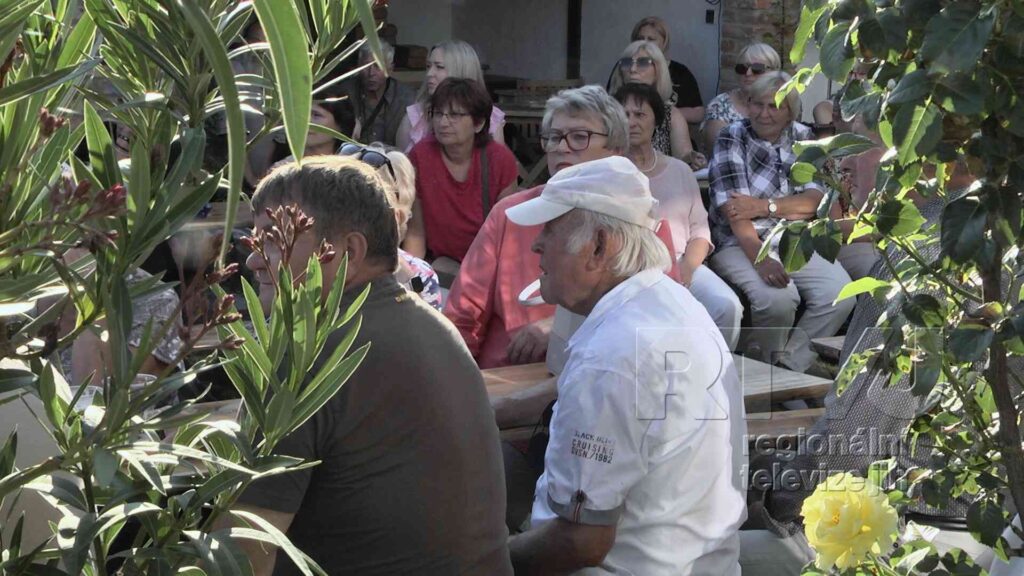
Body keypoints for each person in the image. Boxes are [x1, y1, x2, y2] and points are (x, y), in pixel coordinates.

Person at [232, 156, 512, 575]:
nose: (254, 261)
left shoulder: (308, 351)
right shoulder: (433, 325)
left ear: (348, 252)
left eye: (273, 240)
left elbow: (239, 555)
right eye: (254, 241)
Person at [504, 156, 746, 575]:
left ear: (599, 247)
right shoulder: (667, 302)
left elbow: (580, 542)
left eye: (550, 229)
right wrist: (489, 410)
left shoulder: (611, 355)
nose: (536, 244)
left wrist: (486, 562)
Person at [443, 85, 628, 371]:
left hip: (600, 376)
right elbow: (463, 316)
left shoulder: (638, 220)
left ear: (615, 151)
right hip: (507, 376)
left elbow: (650, 317)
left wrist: (560, 325)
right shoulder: (510, 214)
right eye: (554, 137)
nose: (562, 147)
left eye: (579, 137)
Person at [708, 71, 854, 374]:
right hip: (739, 242)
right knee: (777, 301)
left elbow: (815, 202)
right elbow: (735, 212)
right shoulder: (731, 137)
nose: (764, 113)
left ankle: (788, 368)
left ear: (791, 111)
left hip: (794, 237)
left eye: (774, 106)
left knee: (839, 293)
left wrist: (763, 206)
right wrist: (761, 258)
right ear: (748, 105)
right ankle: (758, 374)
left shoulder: (805, 139)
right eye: (757, 104)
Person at [614, 82, 742, 350]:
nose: (632, 122)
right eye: (624, 114)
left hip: (683, 262)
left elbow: (700, 232)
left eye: (640, 114)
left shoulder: (679, 171)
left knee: (727, 306)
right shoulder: (610, 171)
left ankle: (716, 370)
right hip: (630, 270)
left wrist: (685, 271)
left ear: (656, 121)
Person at [406, 78, 518, 263]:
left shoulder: (500, 160)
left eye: (455, 115)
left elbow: (508, 235)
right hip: (441, 262)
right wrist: (414, 274)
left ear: (479, 123)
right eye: (438, 113)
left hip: (487, 262)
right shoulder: (420, 156)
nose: (443, 122)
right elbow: (415, 232)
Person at [342, 142, 444, 310]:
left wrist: (406, 278)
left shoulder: (418, 274)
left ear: (398, 215)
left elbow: (425, 324)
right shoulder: (321, 256)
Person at [608, 40, 705, 169]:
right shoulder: (607, 111)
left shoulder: (671, 115)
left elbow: (683, 157)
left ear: (658, 70)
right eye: (626, 62)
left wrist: (692, 159)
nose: (633, 69)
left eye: (643, 63)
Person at [396, 40, 505, 152]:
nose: (429, 73)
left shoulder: (491, 119)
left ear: (461, 70)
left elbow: (498, 161)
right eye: (428, 66)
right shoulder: (414, 118)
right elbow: (400, 162)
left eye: (439, 67)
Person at [614, 16, 704, 122]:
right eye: (640, 38)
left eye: (651, 39)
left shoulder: (680, 72)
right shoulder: (623, 65)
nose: (645, 42)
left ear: (664, 42)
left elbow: (699, 112)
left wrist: (663, 114)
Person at [701, 42, 781, 156]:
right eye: (742, 68)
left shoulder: (784, 104)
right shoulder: (720, 105)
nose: (748, 73)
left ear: (774, 72)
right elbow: (722, 150)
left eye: (757, 68)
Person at [347, 41, 415, 146]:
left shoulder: (406, 98)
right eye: (366, 66)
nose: (371, 73)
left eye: (378, 66)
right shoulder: (346, 93)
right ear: (359, 67)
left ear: (390, 70)